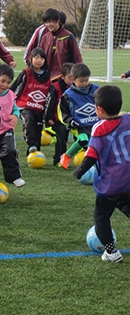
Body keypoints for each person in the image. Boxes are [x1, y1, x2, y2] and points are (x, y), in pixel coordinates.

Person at [73, 85, 130, 263]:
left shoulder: (99, 128)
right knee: (124, 203)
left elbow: (91, 155)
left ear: (99, 109)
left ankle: (111, 252)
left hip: (110, 182)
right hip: (127, 179)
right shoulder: (128, 119)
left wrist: (80, 171)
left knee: (101, 216)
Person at [12, 47, 52, 155]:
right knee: (28, 120)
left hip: (39, 108)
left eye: (42, 58)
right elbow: (14, 87)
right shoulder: (26, 73)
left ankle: (34, 154)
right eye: (36, 57)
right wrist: (9, 101)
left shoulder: (48, 77)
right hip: (25, 106)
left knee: (37, 130)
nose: (39, 60)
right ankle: (31, 144)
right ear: (31, 59)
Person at [58, 63, 99, 169]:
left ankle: (96, 165)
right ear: (73, 80)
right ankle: (67, 156)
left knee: (97, 145)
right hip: (79, 125)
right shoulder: (68, 95)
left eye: (86, 80)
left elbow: (104, 103)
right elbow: (62, 112)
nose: (85, 83)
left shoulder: (96, 90)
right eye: (81, 81)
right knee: (83, 140)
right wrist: (70, 121)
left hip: (96, 123)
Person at [25, 8, 82, 80]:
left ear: (58, 20)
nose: (48, 25)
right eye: (46, 22)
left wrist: (79, 74)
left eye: (50, 22)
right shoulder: (45, 38)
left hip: (64, 78)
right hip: (47, 78)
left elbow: (77, 58)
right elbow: (40, 56)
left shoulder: (68, 37)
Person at [44, 63, 74, 166]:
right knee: (62, 139)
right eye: (70, 78)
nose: (72, 80)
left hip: (74, 118)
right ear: (62, 77)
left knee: (81, 138)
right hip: (59, 119)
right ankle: (59, 159)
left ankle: (84, 158)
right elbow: (49, 102)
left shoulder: (77, 86)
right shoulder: (55, 87)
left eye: (75, 78)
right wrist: (49, 117)